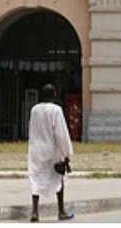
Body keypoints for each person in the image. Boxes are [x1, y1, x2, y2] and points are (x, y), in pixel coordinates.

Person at [28, 84, 74, 223]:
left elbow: (31, 129)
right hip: (52, 149)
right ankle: (61, 211)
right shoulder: (56, 110)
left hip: (35, 149)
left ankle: (35, 212)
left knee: (35, 179)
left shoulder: (34, 109)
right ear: (54, 95)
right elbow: (61, 133)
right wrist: (67, 153)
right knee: (59, 178)